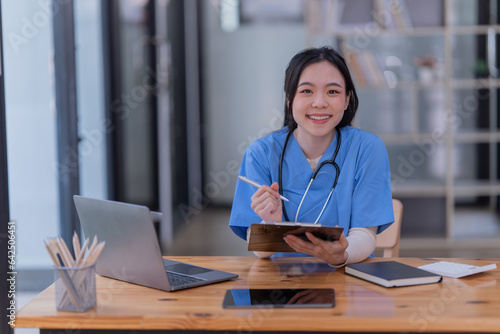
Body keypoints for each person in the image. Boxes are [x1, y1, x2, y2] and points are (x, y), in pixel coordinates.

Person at [229, 46, 394, 266]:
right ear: (289, 99)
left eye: (332, 92)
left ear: (346, 100)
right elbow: (261, 253)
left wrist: (341, 256)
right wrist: (269, 223)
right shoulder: (260, 154)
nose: (319, 103)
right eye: (306, 91)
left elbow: (365, 234)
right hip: (280, 285)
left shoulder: (367, 149)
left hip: (348, 278)